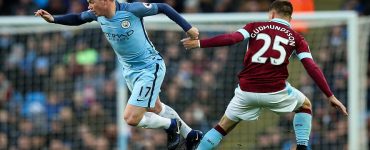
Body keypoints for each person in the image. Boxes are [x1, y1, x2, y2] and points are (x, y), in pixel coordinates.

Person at [35, 0, 203, 149]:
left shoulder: (131, 10)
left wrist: (188, 28)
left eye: (92, 1)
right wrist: (54, 19)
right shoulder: (96, 15)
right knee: (156, 108)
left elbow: (164, 7)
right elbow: (78, 18)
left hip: (150, 68)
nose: (89, 6)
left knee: (131, 118)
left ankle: (171, 125)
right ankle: (191, 135)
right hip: (129, 71)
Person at [181, 1, 348, 150]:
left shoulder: (255, 26)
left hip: (246, 92)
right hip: (275, 92)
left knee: (222, 126)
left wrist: (200, 43)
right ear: (290, 17)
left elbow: (232, 38)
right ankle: (302, 147)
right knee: (305, 105)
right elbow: (312, 67)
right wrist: (330, 95)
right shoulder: (297, 38)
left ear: (272, 14)